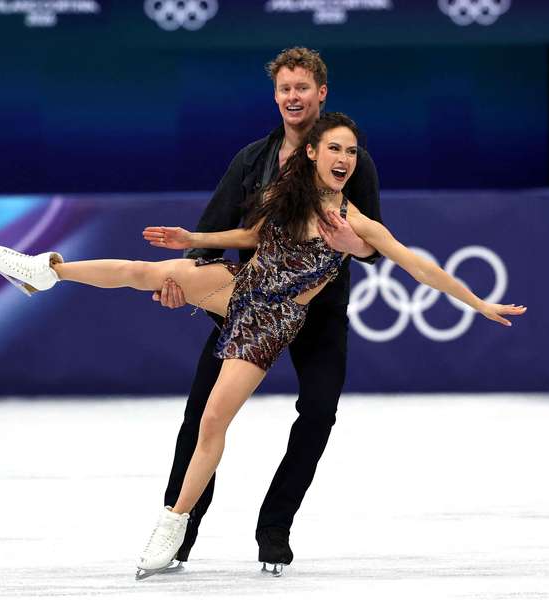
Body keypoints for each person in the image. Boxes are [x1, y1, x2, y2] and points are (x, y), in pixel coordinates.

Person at [0, 112, 528, 579]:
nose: (344, 158)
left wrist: (478, 302)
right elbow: (250, 237)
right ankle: (44, 271)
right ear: (312, 152)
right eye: (334, 148)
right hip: (238, 286)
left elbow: (419, 267)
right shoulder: (283, 193)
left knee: (215, 419)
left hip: (272, 321)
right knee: (142, 270)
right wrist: (195, 241)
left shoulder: (358, 223)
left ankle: (173, 523)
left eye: (352, 151)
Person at [152, 47, 383, 577]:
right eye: (285, 89)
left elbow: (375, 244)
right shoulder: (252, 159)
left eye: (303, 87)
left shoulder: (350, 157)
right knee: (200, 416)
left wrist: (355, 243)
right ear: (276, 96)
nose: (294, 97)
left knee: (319, 412)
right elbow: (212, 231)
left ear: (321, 93)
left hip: (317, 311)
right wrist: (183, 283)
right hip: (248, 306)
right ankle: (177, 529)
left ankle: (274, 527)